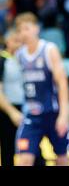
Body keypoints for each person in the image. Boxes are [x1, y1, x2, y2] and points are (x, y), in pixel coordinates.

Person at [14, 12, 69, 166]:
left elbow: (62, 83)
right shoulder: (19, 55)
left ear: (36, 29)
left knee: (62, 158)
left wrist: (64, 115)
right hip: (31, 116)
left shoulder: (48, 49)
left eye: (26, 28)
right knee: (23, 160)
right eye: (19, 30)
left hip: (52, 113)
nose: (23, 33)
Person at [0, 30, 25, 166]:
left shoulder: (23, 59)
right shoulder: (2, 59)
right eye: (16, 40)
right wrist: (11, 112)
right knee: (8, 150)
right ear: (8, 42)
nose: (20, 43)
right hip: (6, 110)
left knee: (31, 150)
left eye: (21, 41)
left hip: (24, 108)